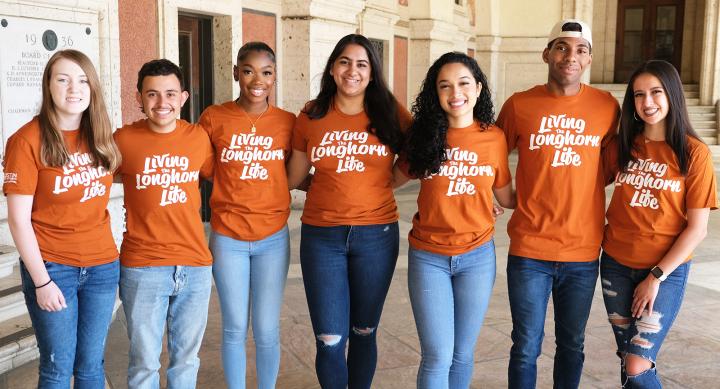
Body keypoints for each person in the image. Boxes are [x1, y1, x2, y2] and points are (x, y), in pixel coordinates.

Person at [495, 19, 620, 388]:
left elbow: (612, 166)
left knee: (572, 345)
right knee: (525, 346)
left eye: (580, 50)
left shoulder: (606, 106)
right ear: (546, 53)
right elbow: (491, 155)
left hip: (582, 252)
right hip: (530, 250)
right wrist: (494, 196)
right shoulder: (519, 105)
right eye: (562, 47)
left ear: (589, 59)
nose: (570, 56)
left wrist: (577, 187)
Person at [285, 33, 411, 389]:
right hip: (322, 236)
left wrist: (388, 180)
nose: (352, 71)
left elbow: (419, 154)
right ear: (332, 69)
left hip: (377, 236)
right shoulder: (312, 114)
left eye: (361, 64)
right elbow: (294, 176)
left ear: (372, 72)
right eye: (344, 62)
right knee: (329, 340)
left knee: (364, 331)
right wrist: (329, 181)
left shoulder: (390, 111)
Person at [394, 52, 515, 388]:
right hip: (429, 256)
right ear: (436, 94)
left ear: (478, 88)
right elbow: (388, 180)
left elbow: (505, 195)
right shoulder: (424, 136)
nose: (455, 92)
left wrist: (553, 191)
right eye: (444, 86)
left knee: (462, 353)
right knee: (437, 355)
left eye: (463, 83)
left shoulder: (495, 138)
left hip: (477, 257)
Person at [3, 49, 121, 388]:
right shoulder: (26, 140)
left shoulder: (100, 136)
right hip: (53, 268)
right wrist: (41, 281)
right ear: (48, 86)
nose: (74, 88)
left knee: (91, 366)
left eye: (83, 80)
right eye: (63, 79)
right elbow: (18, 221)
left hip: (102, 267)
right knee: (57, 368)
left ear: (93, 87)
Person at [600, 60, 717, 388]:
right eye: (639, 95)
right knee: (627, 357)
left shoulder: (694, 153)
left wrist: (655, 277)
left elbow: (698, 228)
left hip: (665, 271)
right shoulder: (624, 145)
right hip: (615, 265)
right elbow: (581, 184)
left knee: (637, 363)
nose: (647, 102)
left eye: (656, 92)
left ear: (673, 95)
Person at [199, 42, 295, 389]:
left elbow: (294, 170)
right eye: (249, 70)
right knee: (234, 326)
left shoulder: (287, 122)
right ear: (237, 72)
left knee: (267, 328)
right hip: (228, 237)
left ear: (274, 77)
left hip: (272, 237)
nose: (258, 80)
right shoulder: (213, 116)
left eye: (266, 72)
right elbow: (204, 166)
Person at [114, 59, 214, 389]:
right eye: (152, 94)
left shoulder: (199, 138)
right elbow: (88, 177)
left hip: (195, 265)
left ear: (183, 98)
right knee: (144, 361)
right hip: (143, 267)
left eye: (170, 94)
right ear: (138, 98)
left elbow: (232, 177)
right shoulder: (122, 141)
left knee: (186, 359)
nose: (162, 103)